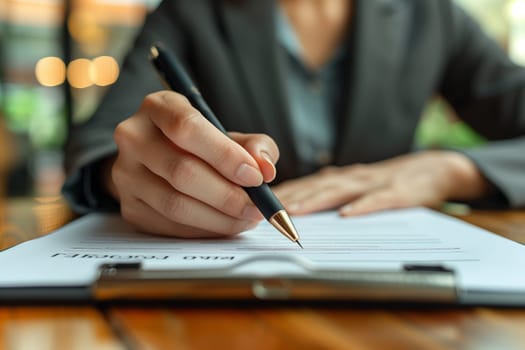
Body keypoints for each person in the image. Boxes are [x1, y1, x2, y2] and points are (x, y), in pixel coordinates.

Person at [63, 0, 525, 238]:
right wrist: (125, 174)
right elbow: (104, 140)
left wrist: (452, 171)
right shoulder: (190, 11)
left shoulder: (430, 14)